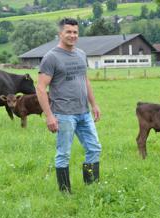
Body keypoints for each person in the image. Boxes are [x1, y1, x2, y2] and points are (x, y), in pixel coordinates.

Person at [37, 18, 102, 193]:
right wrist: (49, 115)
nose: (72, 35)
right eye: (68, 32)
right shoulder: (51, 57)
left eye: (75, 32)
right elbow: (41, 88)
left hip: (84, 112)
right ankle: (65, 192)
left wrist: (94, 104)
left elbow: (85, 80)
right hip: (64, 114)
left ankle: (91, 186)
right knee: (64, 153)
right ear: (60, 34)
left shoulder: (81, 54)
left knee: (94, 148)